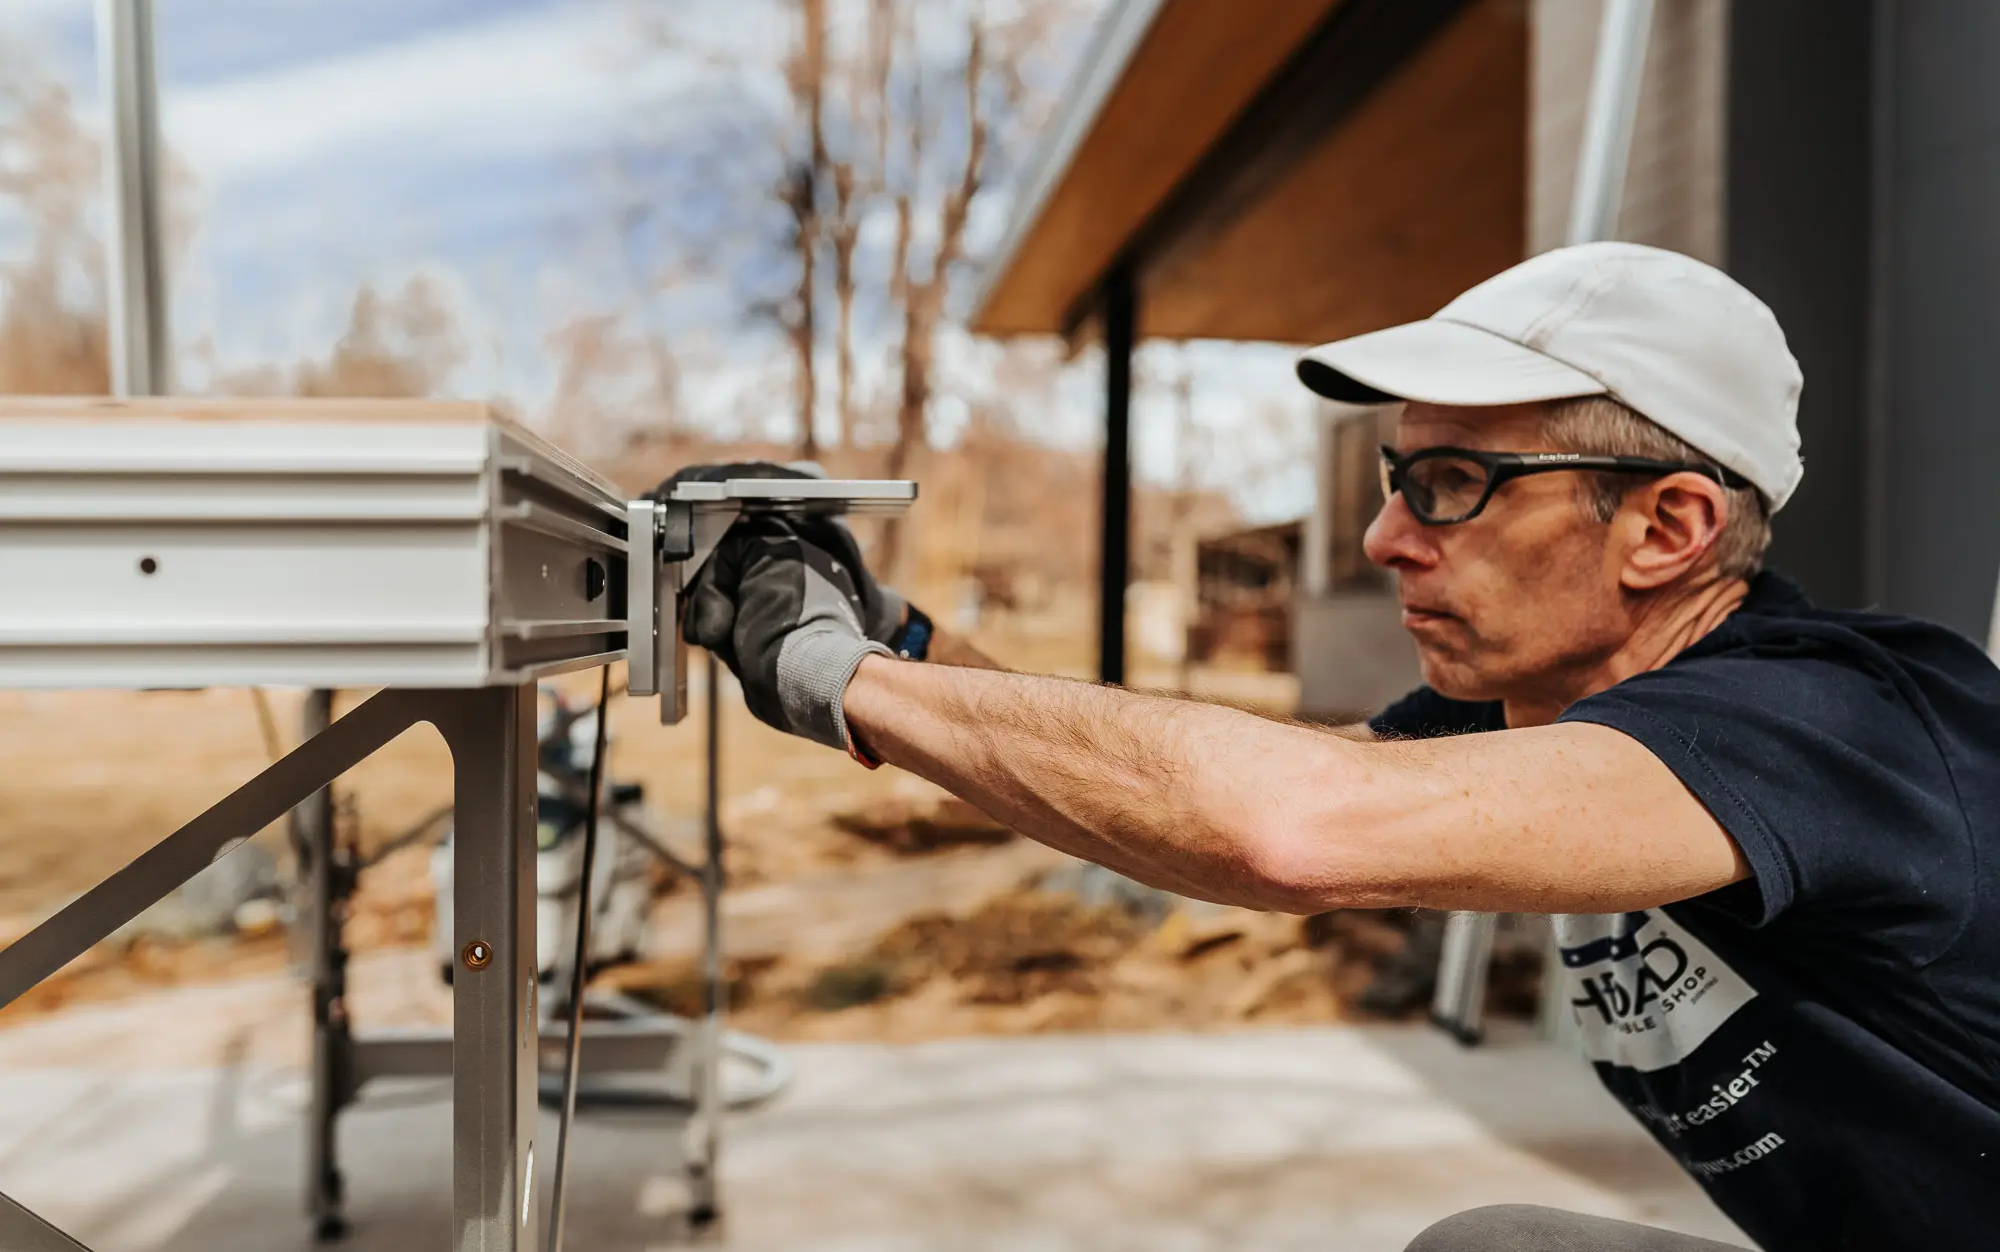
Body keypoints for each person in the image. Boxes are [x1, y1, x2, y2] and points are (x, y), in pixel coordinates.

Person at [673, 242, 2000, 1251]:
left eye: (1454, 485)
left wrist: (830, 679)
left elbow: (1291, 828)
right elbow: (1173, 790)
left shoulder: (1836, 726)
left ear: (1666, 528)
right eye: (1396, 479)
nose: (1386, 540)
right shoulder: (1539, 713)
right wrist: (894, 641)